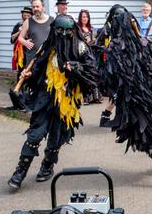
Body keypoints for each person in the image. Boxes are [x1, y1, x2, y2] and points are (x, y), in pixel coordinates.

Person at [7, 15, 98, 189]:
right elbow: (39, 70)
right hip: (45, 97)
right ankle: (20, 171)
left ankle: (47, 166)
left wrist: (76, 68)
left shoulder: (81, 48)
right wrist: (29, 76)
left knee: (57, 138)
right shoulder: (48, 47)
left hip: (66, 102)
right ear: (54, 30)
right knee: (35, 135)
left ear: (73, 31)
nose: (64, 34)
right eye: (60, 30)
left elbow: (93, 73)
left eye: (68, 31)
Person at [100, 4, 152, 188]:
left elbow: (111, 78)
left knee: (146, 138)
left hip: (134, 101)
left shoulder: (114, 47)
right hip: (151, 97)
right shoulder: (144, 41)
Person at [17, 0, 54, 67]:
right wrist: (25, 42)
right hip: (32, 59)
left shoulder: (52, 20)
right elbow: (20, 38)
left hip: (48, 59)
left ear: (43, 7)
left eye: (37, 6)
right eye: (33, 7)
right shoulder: (28, 21)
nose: (35, 9)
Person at [77, 9, 102, 105]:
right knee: (85, 75)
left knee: (93, 73)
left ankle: (95, 97)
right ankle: (86, 98)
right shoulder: (78, 29)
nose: (85, 18)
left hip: (92, 54)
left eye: (86, 17)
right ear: (80, 18)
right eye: (83, 17)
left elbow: (95, 40)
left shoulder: (91, 28)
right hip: (82, 55)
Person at [11, 6, 33, 75]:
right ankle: (20, 84)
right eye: (24, 15)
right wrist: (19, 32)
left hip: (31, 50)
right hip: (21, 52)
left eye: (28, 15)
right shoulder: (18, 25)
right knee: (21, 70)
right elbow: (12, 40)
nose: (26, 17)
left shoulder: (34, 25)